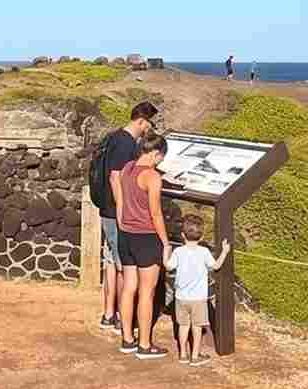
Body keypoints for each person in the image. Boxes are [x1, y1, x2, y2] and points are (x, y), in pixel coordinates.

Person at [89, 102, 159, 331]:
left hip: (107, 209)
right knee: (122, 267)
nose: (150, 128)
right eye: (149, 124)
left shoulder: (114, 137)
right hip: (115, 212)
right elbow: (115, 178)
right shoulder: (126, 143)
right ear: (141, 121)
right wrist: (124, 211)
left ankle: (110, 314)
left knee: (111, 262)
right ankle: (121, 317)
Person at [113, 134, 174, 359]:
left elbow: (121, 198)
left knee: (129, 288)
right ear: (156, 154)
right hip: (147, 237)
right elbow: (156, 213)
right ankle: (145, 344)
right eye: (161, 157)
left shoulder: (128, 167)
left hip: (126, 234)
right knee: (147, 293)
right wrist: (165, 242)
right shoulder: (152, 176)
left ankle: (127, 339)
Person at [165, 217, 231, 366]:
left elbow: (169, 267)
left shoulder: (178, 251)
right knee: (197, 327)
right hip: (199, 299)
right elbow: (215, 266)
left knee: (182, 326)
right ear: (201, 237)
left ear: (182, 235)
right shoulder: (204, 251)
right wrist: (225, 252)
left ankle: (182, 354)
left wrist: (165, 252)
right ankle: (195, 356)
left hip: (181, 297)